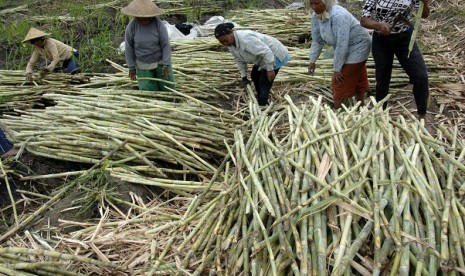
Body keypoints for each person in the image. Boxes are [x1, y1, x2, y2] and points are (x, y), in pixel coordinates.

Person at [361, 0, 430, 120]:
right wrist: (379, 25)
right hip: (381, 40)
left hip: (405, 39)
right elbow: (364, 20)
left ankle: (422, 116)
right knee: (382, 80)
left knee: (421, 77)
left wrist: (425, 3)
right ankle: (381, 116)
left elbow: (424, 15)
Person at [308, 0, 372, 108]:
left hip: (359, 45)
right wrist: (312, 60)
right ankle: (360, 107)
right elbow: (317, 40)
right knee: (358, 73)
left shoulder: (339, 15)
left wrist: (337, 68)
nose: (314, 7)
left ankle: (339, 112)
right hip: (345, 46)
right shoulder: (316, 16)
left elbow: (342, 43)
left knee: (339, 81)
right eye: (311, 3)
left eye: (317, 3)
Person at [214, 23, 290, 106]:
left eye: (225, 40)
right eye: (222, 42)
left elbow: (267, 52)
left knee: (264, 82)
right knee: (254, 75)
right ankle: (260, 97)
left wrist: (270, 69)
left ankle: (263, 104)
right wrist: (244, 77)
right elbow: (239, 60)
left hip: (274, 54)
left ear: (230, 33)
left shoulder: (246, 40)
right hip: (261, 57)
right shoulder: (231, 44)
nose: (225, 43)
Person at [122, 0, 175, 91]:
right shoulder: (131, 27)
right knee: (148, 89)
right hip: (143, 63)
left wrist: (166, 64)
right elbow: (129, 47)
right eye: (141, 18)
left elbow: (165, 45)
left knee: (167, 87)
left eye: (147, 18)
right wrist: (131, 67)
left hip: (160, 62)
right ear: (135, 16)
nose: (144, 21)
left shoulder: (158, 25)